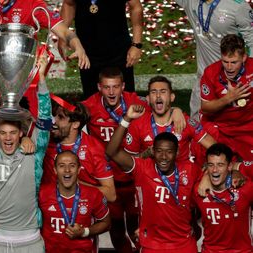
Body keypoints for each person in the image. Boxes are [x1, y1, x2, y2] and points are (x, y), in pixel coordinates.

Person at [0, 53, 51, 251]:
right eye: (3, 133)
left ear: (22, 133)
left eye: (13, 133)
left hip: (31, 241)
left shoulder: (34, 153)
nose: (8, 138)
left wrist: (41, 79)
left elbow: (45, 121)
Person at [106, 109, 200, 253]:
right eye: (159, 151)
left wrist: (236, 169)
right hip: (152, 245)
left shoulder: (191, 170)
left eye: (169, 152)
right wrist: (126, 120)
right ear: (152, 151)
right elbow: (112, 152)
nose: (163, 156)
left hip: (184, 244)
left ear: (177, 153)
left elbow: (214, 173)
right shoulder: (142, 168)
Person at [82, 67, 147, 252]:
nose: (111, 92)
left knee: (139, 228)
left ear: (123, 87)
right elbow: (69, 118)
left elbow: (161, 106)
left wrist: (174, 111)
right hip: (109, 182)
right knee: (117, 231)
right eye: (107, 87)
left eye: (116, 87)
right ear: (99, 87)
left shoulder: (135, 101)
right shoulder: (90, 105)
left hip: (135, 178)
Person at [174, 0, 253, 118]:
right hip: (204, 78)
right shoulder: (191, 2)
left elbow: (251, 41)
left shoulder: (238, 7)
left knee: (238, 124)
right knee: (197, 127)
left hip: (234, 81)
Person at [124, 76, 216, 166]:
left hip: (182, 179)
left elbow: (215, 147)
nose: (158, 95)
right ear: (148, 99)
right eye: (153, 92)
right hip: (151, 179)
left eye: (163, 92)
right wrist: (145, 154)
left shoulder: (184, 121)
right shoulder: (137, 125)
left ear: (172, 97)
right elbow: (128, 161)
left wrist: (208, 167)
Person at [60, 0, 143, 98]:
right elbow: (69, 4)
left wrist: (136, 44)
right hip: (87, 53)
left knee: (125, 98)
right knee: (92, 100)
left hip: (119, 51)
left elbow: (136, 7)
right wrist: (62, 37)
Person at [42, 100, 116, 202]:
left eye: (60, 117)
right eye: (54, 116)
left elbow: (111, 195)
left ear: (75, 124)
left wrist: (76, 184)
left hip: (82, 209)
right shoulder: (44, 140)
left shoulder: (93, 148)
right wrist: (25, 139)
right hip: (51, 206)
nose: (54, 121)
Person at [39, 150, 111, 253]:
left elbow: (106, 223)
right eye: (61, 166)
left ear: (78, 169)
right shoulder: (42, 193)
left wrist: (84, 232)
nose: (67, 170)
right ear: (55, 170)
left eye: (72, 166)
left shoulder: (93, 194)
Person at [200, 34, 253, 161]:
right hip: (220, 127)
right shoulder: (211, 72)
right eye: (225, 61)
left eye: (234, 62)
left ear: (244, 58)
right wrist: (228, 98)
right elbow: (205, 108)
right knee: (214, 163)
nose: (229, 67)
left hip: (247, 126)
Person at [194, 143, 253, 252]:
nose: (215, 170)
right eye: (211, 165)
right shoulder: (199, 190)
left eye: (220, 165)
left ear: (230, 166)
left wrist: (237, 170)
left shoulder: (246, 188)